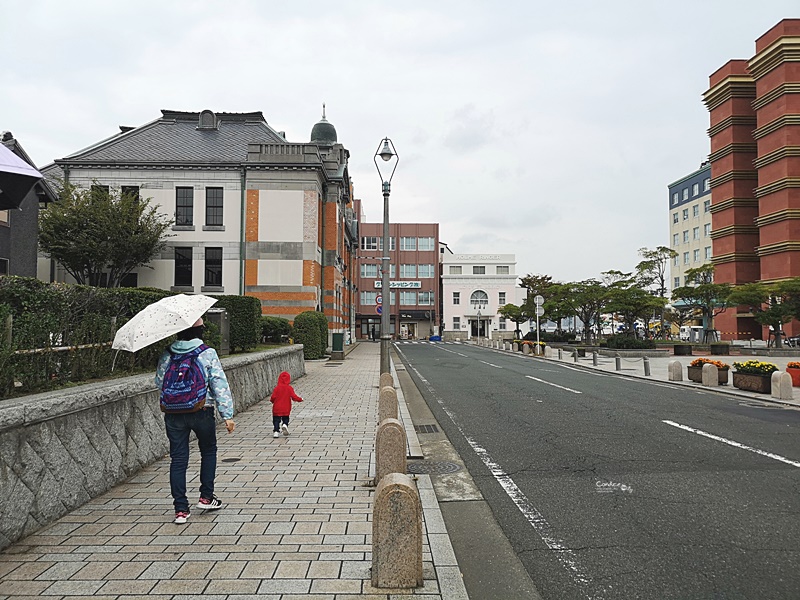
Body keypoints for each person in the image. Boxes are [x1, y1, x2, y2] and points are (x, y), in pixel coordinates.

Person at [155, 317, 235, 525]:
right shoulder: (207, 353)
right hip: (201, 409)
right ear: (200, 331)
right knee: (208, 450)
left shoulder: (168, 353)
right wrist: (227, 415)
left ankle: (181, 510)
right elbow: (219, 383)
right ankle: (206, 497)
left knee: (178, 459)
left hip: (173, 412)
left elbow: (159, 381)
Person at [270, 371, 303, 438]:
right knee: (285, 418)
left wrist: (272, 401)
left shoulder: (277, 388)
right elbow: (294, 397)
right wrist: (300, 399)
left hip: (277, 408)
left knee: (276, 420)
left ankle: (276, 431)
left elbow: (273, 397)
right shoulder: (289, 388)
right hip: (286, 407)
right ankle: (285, 424)